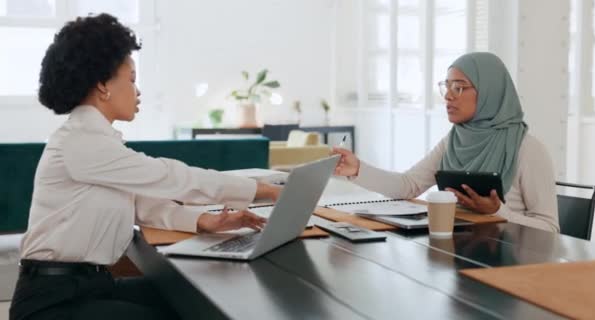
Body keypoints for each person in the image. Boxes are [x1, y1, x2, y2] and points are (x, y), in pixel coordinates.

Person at [10, 13, 280, 320]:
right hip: (52, 302)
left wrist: (206, 221)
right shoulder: (81, 141)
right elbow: (170, 177)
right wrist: (263, 190)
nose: (138, 92)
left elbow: (144, 205)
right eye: (132, 80)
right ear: (102, 86)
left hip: (90, 286)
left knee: (184, 297)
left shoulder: (98, 140)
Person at [333, 52, 559, 233]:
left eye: (459, 87)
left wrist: (498, 210)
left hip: (510, 265)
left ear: (490, 91)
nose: (448, 96)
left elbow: (550, 229)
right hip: (461, 254)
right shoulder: (454, 140)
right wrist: (358, 169)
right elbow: (408, 185)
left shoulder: (527, 149)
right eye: (447, 86)